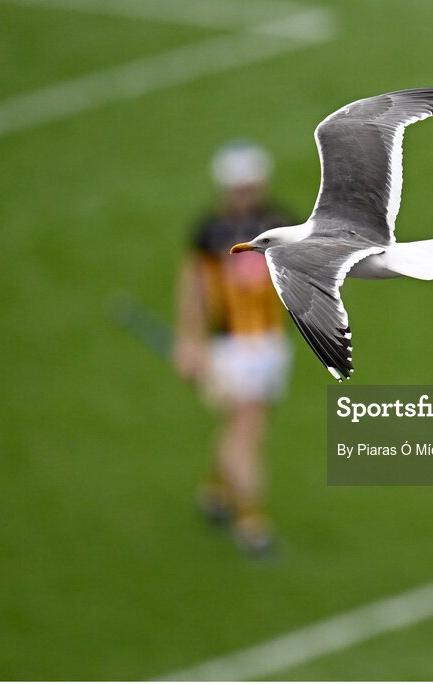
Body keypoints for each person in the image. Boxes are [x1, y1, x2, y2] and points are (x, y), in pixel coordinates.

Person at [173, 140, 294, 556]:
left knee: (246, 426)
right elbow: (193, 289)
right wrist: (190, 342)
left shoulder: (279, 223)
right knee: (246, 430)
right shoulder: (210, 232)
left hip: (272, 345)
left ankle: (215, 492)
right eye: (238, 187)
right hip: (230, 348)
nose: (246, 194)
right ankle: (251, 521)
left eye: (251, 186)